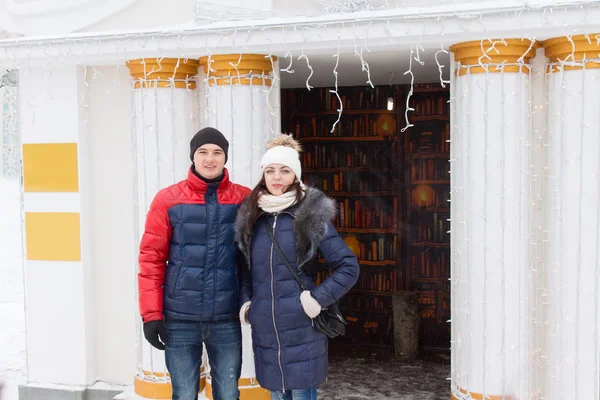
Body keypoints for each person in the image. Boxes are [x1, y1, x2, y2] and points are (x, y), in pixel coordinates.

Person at [234, 134, 360, 400]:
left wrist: (317, 298)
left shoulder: (309, 214)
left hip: (303, 328)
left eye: (284, 170)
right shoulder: (251, 217)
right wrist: (247, 303)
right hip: (267, 334)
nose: (276, 177)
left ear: (295, 175)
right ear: (263, 175)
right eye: (270, 171)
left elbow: (348, 266)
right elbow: (246, 268)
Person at [138, 127, 251, 400]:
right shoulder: (168, 199)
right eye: (203, 152)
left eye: (217, 152)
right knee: (184, 393)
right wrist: (151, 315)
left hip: (226, 317)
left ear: (225, 158)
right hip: (179, 318)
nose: (210, 159)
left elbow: (255, 257)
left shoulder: (244, 198)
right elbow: (151, 259)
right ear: (193, 156)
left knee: (227, 392)